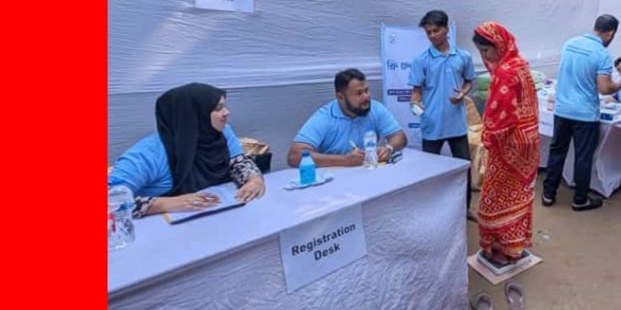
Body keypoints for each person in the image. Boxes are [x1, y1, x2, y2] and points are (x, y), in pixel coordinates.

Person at [108, 83, 265, 218]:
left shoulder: (221, 133)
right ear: (193, 116)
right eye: (218, 108)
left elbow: (239, 162)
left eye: (225, 106)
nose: (227, 112)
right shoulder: (147, 154)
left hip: (217, 216)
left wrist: (254, 179)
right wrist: (163, 204)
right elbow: (110, 200)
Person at [542, 14, 621, 211]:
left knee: (557, 152)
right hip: (584, 114)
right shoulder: (601, 54)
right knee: (583, 157)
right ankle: (580, 199)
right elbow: (604, 89)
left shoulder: (570, 43)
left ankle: (548, 194)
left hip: (562, 109)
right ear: (610, 33)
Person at [471, 21, 540, 266]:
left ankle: (500, 248)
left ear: (498, 45)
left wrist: (487, 135)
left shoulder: (505, 72)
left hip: (508, 146)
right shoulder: (520, 64)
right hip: (529, 145)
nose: (484, 56)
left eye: (486, 51)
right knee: (520, 196)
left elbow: (501, 117)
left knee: (491, 203)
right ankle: (514, 247)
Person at [409, 10, 477, 217]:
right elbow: (416, 92)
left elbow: (469, 82)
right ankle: (431, 212)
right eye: (428, 32)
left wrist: (463, 93)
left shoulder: (463, 57)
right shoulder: (421, 60)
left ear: (447, 29)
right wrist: (417, 109)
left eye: (435, 30)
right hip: (432, 125)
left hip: (456, 124)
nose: (432, 35)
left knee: (464, 168)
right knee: (430, 172)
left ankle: (465, 209)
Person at [288, 69, 408, 168]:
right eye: (358, 93)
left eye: (366, 90)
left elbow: (400, 137)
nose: (366, 97)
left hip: (367, 174)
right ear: (340, 97)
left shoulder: (375, 108)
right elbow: (295, 156)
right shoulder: (324, 117)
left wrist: (388, 148)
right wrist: (344, 160)